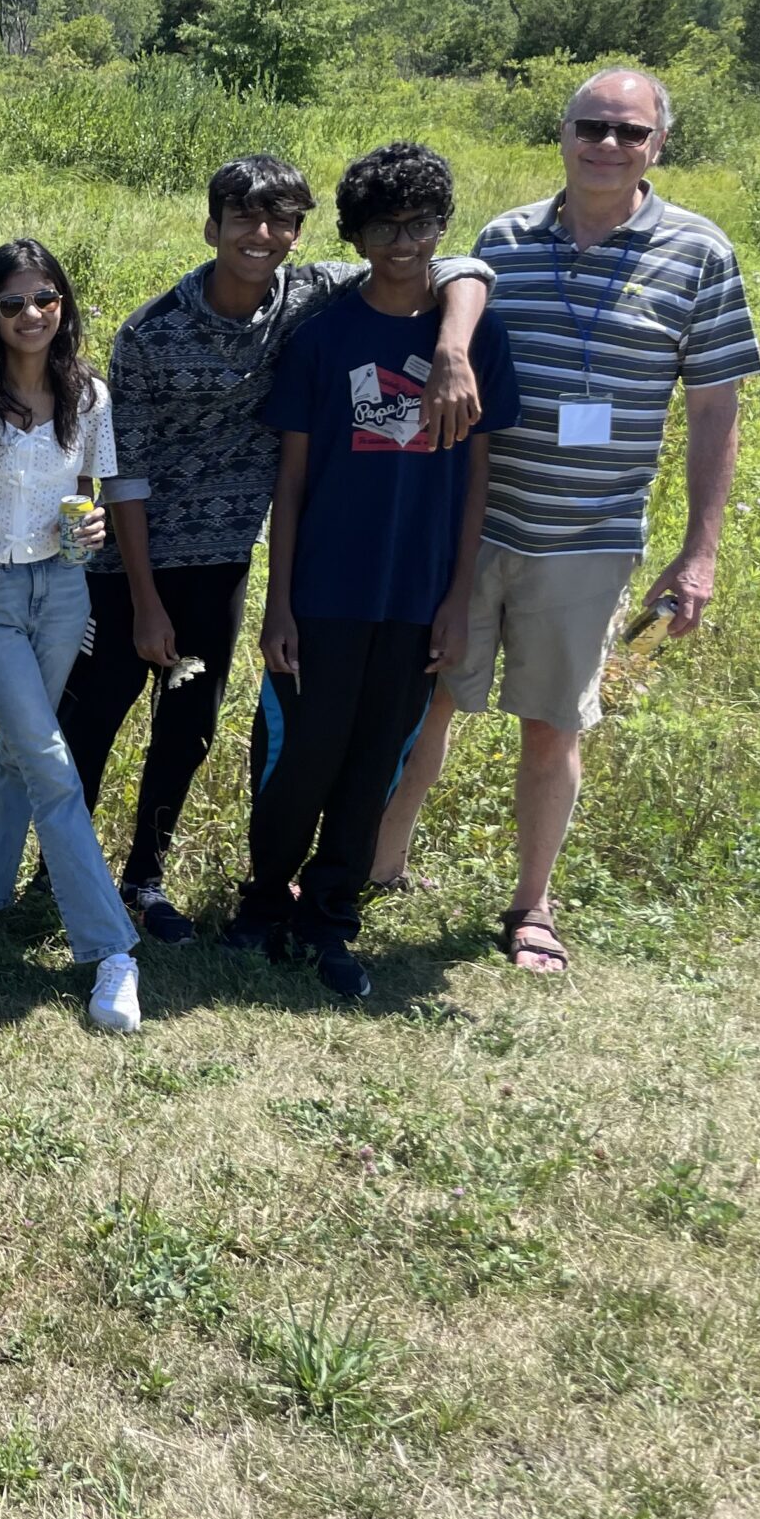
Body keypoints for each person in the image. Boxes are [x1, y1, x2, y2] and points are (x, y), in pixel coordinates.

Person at [373, 69, 760, 972]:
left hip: (587, 541)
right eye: (593, 126)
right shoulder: (503, 238)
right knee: (424, 702)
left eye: (630, 132)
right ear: (564, 133)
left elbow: (714, 410)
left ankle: (532, 907)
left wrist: (698, 553)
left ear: (658, 144)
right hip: (473, 525)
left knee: (553, 725)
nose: (608, 145)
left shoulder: (700, 253)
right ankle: (377, 868)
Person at [55, 155, 496, 943]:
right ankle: (60, 878)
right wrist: (145, 599)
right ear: (211, 226)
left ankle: (144, 879)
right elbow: (123, 472)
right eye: (244, 219)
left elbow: (449, 261)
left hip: (222, 560)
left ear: (298, 232)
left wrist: (457, 344)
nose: (262, 236)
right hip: (128, 567)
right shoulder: (152, 332)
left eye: (281, 221)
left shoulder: (311, 293)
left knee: (186, 730)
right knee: (91, 724)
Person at [226, 144, 520, 996]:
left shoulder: (474, 340)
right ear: (355, 236)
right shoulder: (322, 339)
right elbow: (291, 477)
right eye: (385, 226)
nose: (405, 242)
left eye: (422, 223)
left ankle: (331, 917)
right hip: (322, 593)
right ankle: (261, 902)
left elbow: (477, 481)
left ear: (441, 226)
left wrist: (458, 600)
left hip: (417, 596)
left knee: (372, 764)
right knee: (297, 755)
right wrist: (278, 605)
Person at [0, 241, 142, 1033]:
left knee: (21, 756)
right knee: (51, 762)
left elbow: (88, 490)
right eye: (13, 302)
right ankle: (111, 950)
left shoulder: (87, 392)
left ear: (64, 304)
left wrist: (87, 528)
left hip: (62, 590)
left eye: (45, 298)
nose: (32, 315)